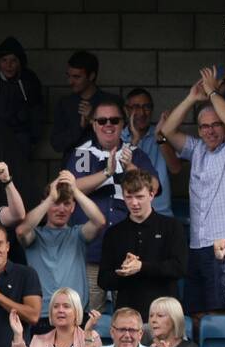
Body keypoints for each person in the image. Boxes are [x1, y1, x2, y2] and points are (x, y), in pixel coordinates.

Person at [160, 67, 225, 315]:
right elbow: (167, 131)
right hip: (198, 242)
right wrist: (192, 98)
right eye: (204, 127)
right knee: (195, 312)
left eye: (216, 125)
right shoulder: (197, 149)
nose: (210, 131)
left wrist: (212, 90)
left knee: (221, 309)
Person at [66, 99, 160, 314]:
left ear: (122, 124)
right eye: (102, 120)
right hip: (91, 252)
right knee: (88, 317)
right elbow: (70, 188)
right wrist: (107, 173)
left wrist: (129, 167)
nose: (108, 125)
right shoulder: (83, 153)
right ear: (93, 124)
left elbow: (154, 186)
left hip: (128, 254)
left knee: (129, 315)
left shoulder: (133, 153)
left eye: (114, 120)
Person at [96, 167, 188, 319]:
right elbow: (104, 280)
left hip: (165, 316)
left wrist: (142, 267)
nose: (134, 203)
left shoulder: (171, 226)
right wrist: (123, 272)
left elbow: (179, 268)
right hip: (128, 318)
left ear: (152, 194)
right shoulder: (114, 233)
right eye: (129, 197)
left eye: (140, 197)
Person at [17, 171, 107, 308]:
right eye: (56, 203)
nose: (61, 209)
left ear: (73, 207)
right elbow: (21, 230)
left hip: (76, 313)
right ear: (46, 204)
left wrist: (75, 190)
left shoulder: (78, 234)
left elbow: (99, 221)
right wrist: (50, 199)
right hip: (42, 313)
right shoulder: (35, 234)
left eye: (66, 204)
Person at [123, 87, 183, 218]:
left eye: (146, 107)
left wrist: (160, 137)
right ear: (127, 110)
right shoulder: (119, 137)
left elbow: (175, 169)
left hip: (160, 213)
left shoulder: (161, 134)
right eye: (136, 107)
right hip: (128, 215)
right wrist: (134, 140)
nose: (142, 113)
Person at [51, 51, 117, 158]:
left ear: (91, 76)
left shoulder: (110, 102)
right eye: (69, 76)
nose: (70, 82)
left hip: (104, 168)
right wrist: (80, 127)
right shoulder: (65, 104)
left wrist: (94, 118)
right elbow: (56, 144)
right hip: (72, 170)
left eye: (76, 77)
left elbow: (120, 139)